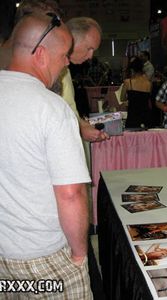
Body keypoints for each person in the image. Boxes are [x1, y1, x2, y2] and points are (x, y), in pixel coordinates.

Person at [0, 13, 92, 299]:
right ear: (40, 54)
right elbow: (70, 194)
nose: (67, 62)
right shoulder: (51, 108)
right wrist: (79, 254)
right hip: (45, 260)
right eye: (64, 55)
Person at [61, 17, 109, 143]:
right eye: (89, 48)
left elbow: (68, 106)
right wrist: (80, 128)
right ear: (72, 40)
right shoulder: (53, 70)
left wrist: (82, 124)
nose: (91, 56)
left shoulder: (65, 69)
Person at [120, 56, 152, 128]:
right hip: (146, 117)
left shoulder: (128, 82)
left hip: (133, 117)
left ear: (132, 70)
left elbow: (122, 98)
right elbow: (148, 101)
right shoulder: (148, 83)